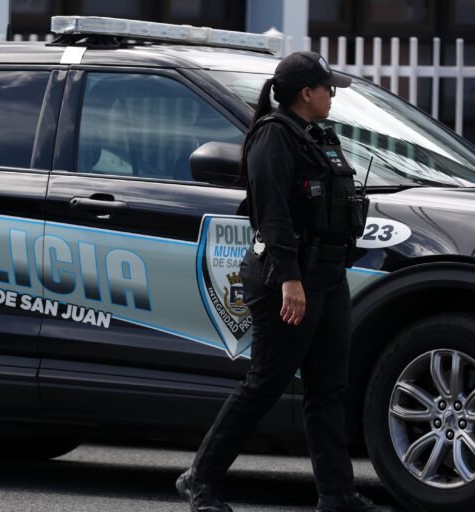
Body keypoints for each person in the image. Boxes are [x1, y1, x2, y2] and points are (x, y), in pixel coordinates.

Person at [176, 52, 393, 512]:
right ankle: (201, 480)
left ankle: (336, 495)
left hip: (328, 276)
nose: (333, 94)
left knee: (328, 389)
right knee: (265, 384)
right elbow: (272, 214)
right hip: (286, 278)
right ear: (306, 93)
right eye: (327, 87)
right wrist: (291, 279)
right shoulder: (274, 137)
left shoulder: (315, 137)